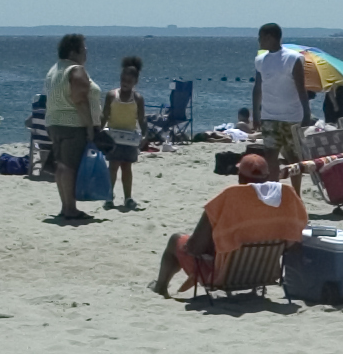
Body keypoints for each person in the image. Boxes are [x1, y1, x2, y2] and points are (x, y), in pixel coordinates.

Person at [152, 154, 309, 297]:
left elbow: (194, 247)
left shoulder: (228, 198)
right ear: (267, 176)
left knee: (175, 240)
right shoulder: (284, 199)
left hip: (223, 276)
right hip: (264, 272)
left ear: (240, 176)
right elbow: (292, 241)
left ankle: (160, 287)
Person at [43, 33, 98, 221]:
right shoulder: (76, 70)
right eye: (84, 50)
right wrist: (90, 126)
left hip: (54, 122)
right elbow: (79, 100)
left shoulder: (54, 70)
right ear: (74, 52)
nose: (86, 54)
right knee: (69, 166)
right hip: (72, 124)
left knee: (61, 166)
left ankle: (66, 205)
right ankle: (70, 208)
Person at [251, 23, 314, 164]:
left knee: (293, 157)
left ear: (270, 37)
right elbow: (257, 88)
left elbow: (301, 88)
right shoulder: (260, 60)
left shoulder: (293, 58)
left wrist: (306, 113)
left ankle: (295, 187)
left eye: (260, 37)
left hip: (291, 117)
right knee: (270, 156)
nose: (259, 41)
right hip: (269, 116)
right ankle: (275, 185)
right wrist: (255, 114)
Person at [100, 55, 146, 211]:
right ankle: (108, 196)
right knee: (113, 167)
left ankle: (128, 197)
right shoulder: (112, 95)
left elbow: (141, 119)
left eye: (129, 80)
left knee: (127, 168)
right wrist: (98, 131)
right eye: (123, 79)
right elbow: (105, 115)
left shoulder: (138, 98)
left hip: (130, 139)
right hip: (113, 137)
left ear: (135, 82)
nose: (125, 83)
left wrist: (145, 136)